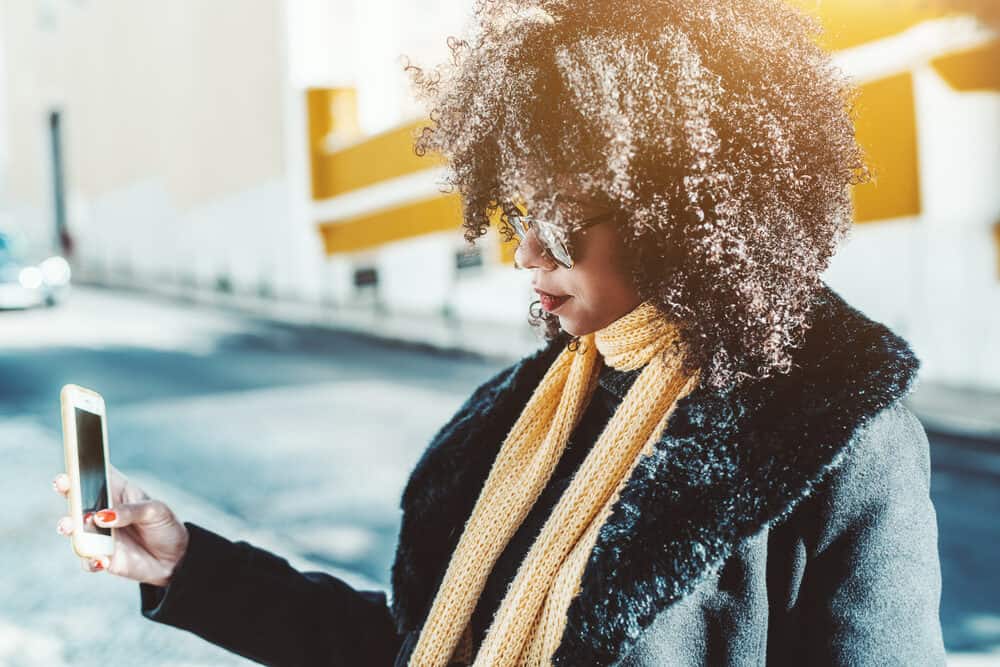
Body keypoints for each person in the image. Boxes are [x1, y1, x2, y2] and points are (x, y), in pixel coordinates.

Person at [52, 1, 947, 665]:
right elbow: (430, 641)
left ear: (672, 211)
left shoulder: (836, 434)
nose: (523, 249)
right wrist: (187, 567)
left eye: (558, 220)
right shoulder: (537, 410)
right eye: (519, 208)